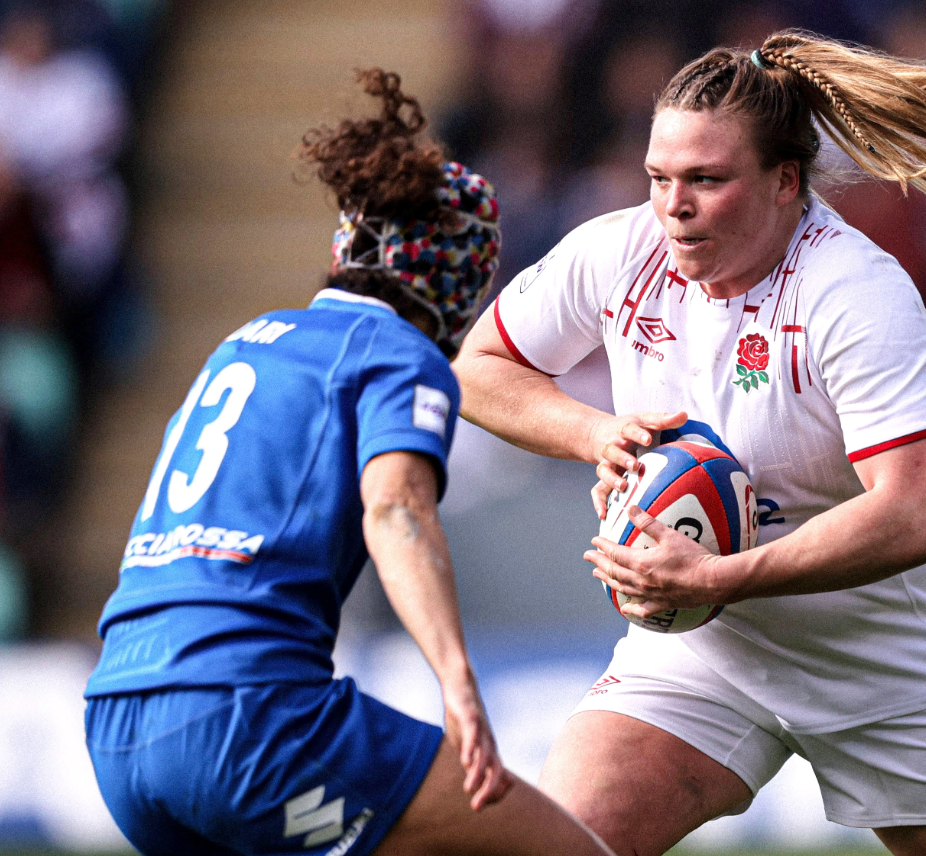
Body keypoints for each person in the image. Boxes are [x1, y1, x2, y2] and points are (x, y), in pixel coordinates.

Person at [453, 30, 926, 856]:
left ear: (784, 183)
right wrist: (600, 436)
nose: (673, 206)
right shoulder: (621, 252)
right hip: (702, 657)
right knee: (557, 847)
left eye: (706, 181)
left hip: (873, 661)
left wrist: (717, 575)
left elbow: (918, 514)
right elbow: (477, 367)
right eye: (658, 178)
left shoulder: (855, 293)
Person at [82, 69, 613, 856]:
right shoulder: (395, 353)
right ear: (459, 276)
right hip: (250, 713)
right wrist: (456, 681)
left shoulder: (245, 343)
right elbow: (396, 509)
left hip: (117, 722)